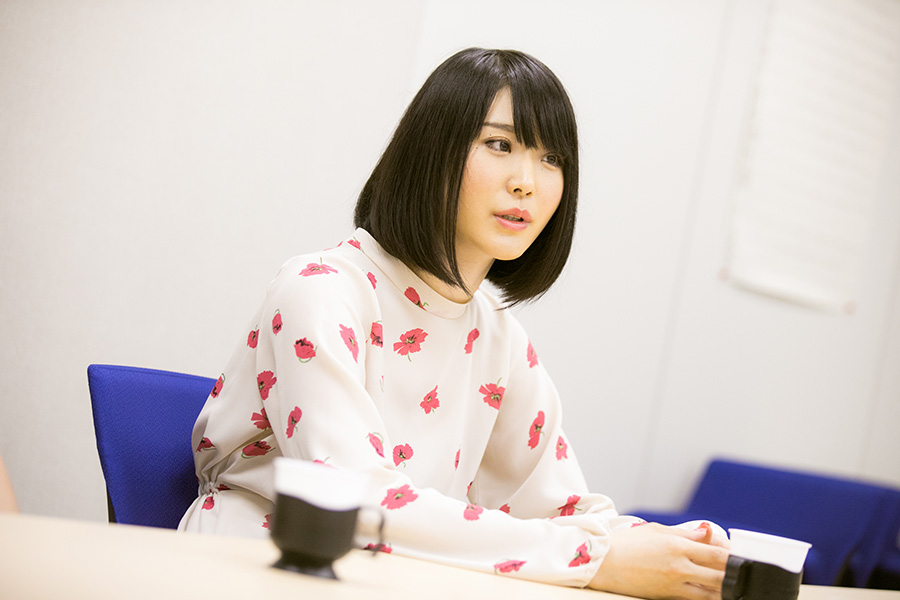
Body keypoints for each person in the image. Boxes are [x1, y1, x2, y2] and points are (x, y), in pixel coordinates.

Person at [179, 47, 728, 599]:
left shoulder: (499, 336)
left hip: (392, 580)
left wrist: (675, 548)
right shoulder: (321, 289)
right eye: (500, 145)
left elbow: (557, 508)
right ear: (432, 150)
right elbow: (354, 499)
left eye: (552, 158)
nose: (527, 182)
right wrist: (594, 558)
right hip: (253, 569)